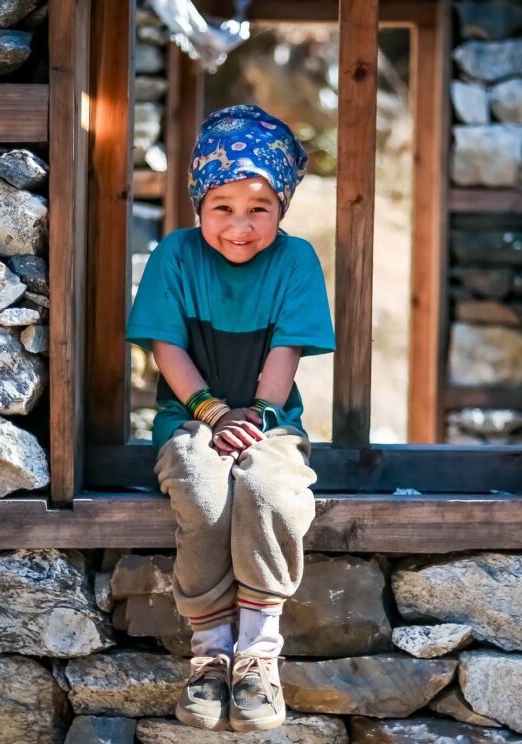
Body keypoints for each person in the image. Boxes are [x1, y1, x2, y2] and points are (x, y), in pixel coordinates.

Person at [125, 104, 335, 732]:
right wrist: (214, 413)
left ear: (282, 210)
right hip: (190, 417)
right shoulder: (175, 256)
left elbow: (285, 352)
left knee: (270, 490)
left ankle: (259, 654)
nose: (240, 227)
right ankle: (210, 654)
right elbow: (168, 348)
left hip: (269, 422)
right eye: (223, 207)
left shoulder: (296, 261)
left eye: (259, 208)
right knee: (203, 489)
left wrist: (259, 415)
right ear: (197, 205)